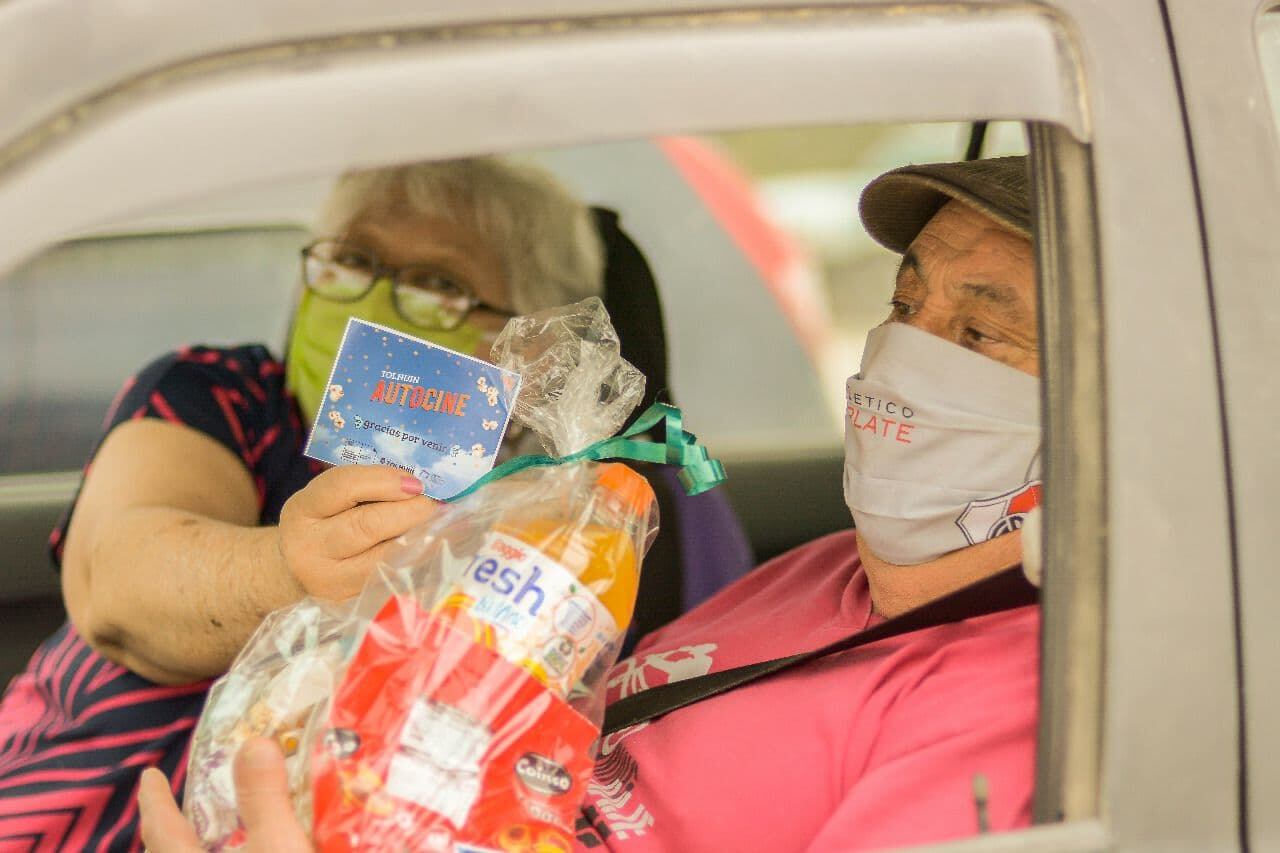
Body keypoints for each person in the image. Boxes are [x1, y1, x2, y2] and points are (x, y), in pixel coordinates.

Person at [138, 154, 1043, 852]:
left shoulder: (1017, 706)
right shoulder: (824, 571)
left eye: (980, 333)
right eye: (904, 300)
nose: (903, 354)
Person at [0, 157, 753, 851]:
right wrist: (290, 565)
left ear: (530, 343)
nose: (372, 301)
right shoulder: (223, 394)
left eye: (435, 283)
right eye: (352, 261)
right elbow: (114, 586)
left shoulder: (564, 524)